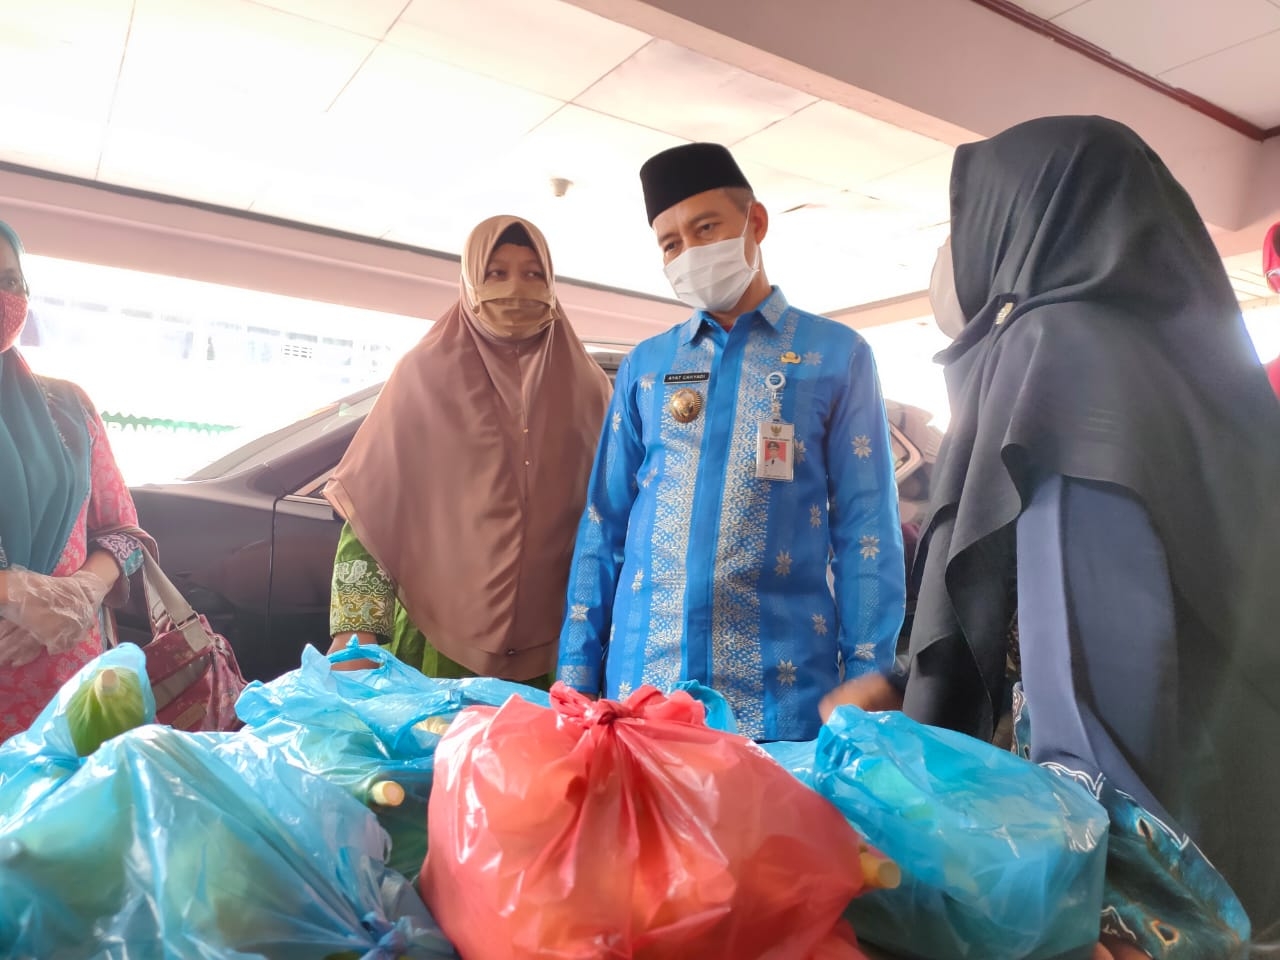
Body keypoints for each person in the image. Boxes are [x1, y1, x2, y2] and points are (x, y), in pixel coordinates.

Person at [822, 116, 1280, 958]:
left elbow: (1096, 648)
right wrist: (900, 679)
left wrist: (1112, 901)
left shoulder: (1061, 351)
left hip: (1153, 876)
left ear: (1026, 219)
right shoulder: (1186, 361)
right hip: (1238, 821)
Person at [557, 142, 905, 742]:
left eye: (706, 228)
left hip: (781, 698)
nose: (689, 253)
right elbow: (604, 525)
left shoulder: (836, 355)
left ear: (756, 222)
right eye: (671, 244)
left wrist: (870, 675)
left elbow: (865, 527)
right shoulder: (648, 365)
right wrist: (575, 679)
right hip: (642, 692)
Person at [323, 215, 611, 685]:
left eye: (532, 274)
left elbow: (610, 520)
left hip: (556, 651)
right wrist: (356, 632)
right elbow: (372, 511)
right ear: (470, 281)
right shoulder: (424, 376)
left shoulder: (588, 389)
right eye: (496, 273)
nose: (516, 288)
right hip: (436, 642)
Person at [0, 219, 154, 741]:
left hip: (73, 702)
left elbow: (124, 535)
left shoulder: (68, 407)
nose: (3, 296)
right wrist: (17, 594)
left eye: (10, 281)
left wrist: (82, 592)